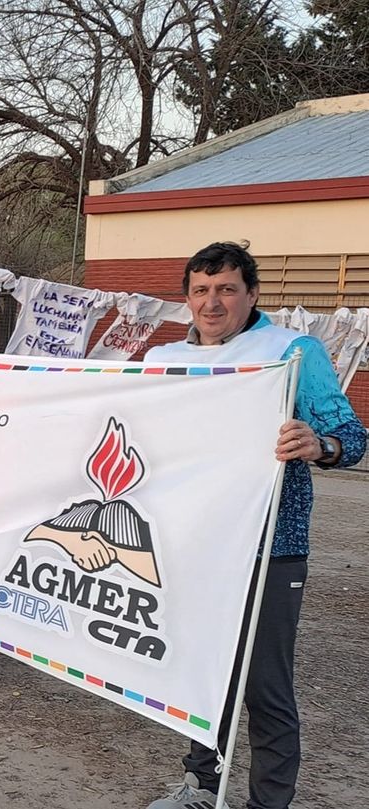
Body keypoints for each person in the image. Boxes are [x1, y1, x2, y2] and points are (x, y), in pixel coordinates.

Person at [143, 242, 365, 809]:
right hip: (189, 542)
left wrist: (320, 444)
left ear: (252, 293)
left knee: (264, 685)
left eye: (226, 289)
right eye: (200, 290)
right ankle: (200, 786)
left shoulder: (292, 351)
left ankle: (268, 803)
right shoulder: (163, 360)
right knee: (202, 672)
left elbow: (354, 438)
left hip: (271, 546)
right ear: (186, 297)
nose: (211, 302)